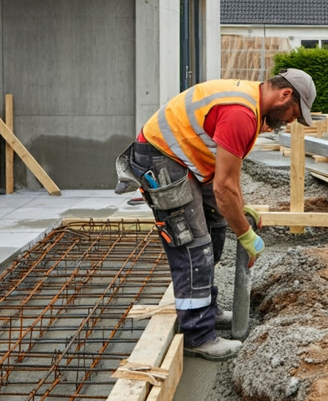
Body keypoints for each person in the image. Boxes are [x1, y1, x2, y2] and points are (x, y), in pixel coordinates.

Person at [115, 69, 317, 361]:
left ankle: (206, 309)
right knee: (193, 245)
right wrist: (246, 235)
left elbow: (229, 179)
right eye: (294, 114)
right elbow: (223, 186)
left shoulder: (251, 105)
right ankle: (198, 336)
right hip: (161, 158)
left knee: (215, 229)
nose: (290, 122)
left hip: (184, 157)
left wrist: (240, 208)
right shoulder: (241, 114)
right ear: (285, 96)